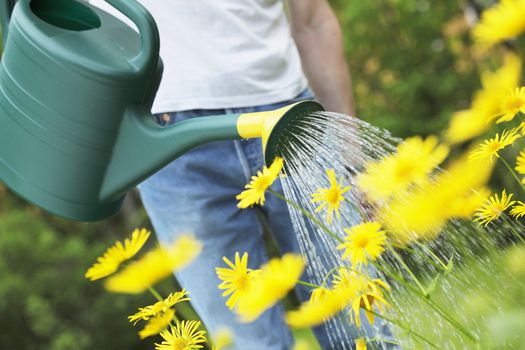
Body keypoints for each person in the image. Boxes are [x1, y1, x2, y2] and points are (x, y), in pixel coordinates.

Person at [91, 1, 358, 348]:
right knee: (247, 342)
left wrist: (351, 155)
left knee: (359, 319)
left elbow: (313, 22)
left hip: (289, 115)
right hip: (166, 145)